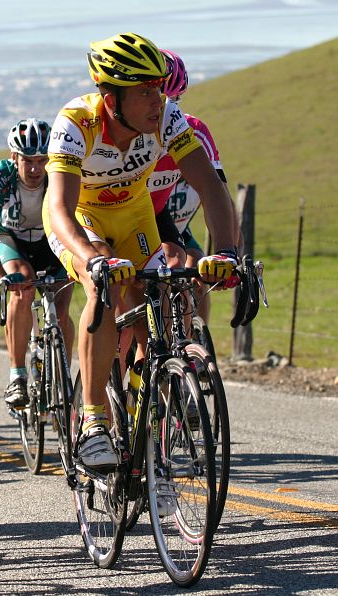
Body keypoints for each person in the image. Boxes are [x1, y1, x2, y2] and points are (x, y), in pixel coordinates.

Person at [43, 32, 238, 472]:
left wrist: (226, 252)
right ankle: (93, 422)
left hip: (134, 216)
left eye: (159, 88)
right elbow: (59, 209)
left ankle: (148, 423)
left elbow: (210, 185)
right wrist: (91, 259)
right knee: (104, 289)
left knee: (160, 302)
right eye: (145, 91)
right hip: (82, 218)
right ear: (111, 98)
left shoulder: (167, 117)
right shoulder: (76, 123)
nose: (158, 100)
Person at [0, 118, 75, 409]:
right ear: (14, 157)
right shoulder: (1, 176)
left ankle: (64, 374)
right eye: (28, 161)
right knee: (23, 285)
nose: (35, 169)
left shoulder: (58, 173)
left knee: (61, 307)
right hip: (11, 240)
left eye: (42, 160)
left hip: (49, 239)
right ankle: (17, 375)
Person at [147, 49, 227, 324]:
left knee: (190, 276)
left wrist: (229, 253)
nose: (165, 109)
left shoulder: (191, 131)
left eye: (175, 100)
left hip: (172, 226)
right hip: (127, 221)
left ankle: (196, 335)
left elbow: (220, 196)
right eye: (160, 98)